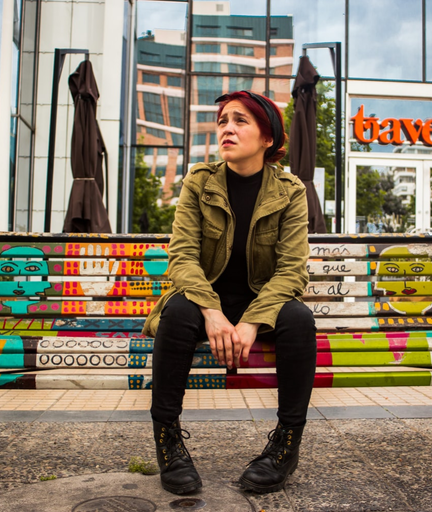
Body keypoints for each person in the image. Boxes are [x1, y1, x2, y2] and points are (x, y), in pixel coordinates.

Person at [142, 90, 317, 495]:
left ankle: (286, 446)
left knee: (299, 319)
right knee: (177, 313)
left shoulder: (290, 191)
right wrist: (212, 311)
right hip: (204, 298)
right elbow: (182, 257)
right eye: (223, 121)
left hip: (260, 301)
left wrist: (253, 321)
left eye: (240, 121)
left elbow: (292, 270)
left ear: (267, 137)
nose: (227, 129)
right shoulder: (199, 182)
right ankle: (168, 443)